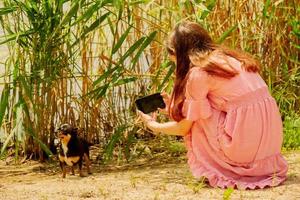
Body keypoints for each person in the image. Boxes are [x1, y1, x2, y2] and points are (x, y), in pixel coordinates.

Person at [138, 21, 288, 189]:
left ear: (176, 53)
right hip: (269, 145)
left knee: (197, 120)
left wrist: (154, 126)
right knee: (199, 111)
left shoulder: (199, 73)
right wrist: (173, 108)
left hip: (244, 150)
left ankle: (226, 170)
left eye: (171, 57)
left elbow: (183, 128)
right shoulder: (230, 58)